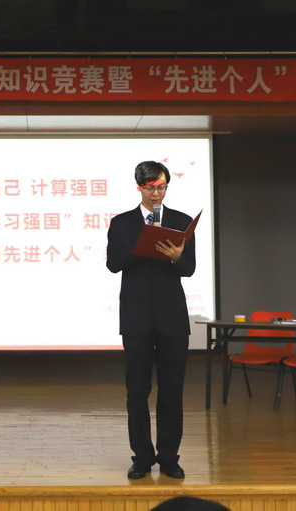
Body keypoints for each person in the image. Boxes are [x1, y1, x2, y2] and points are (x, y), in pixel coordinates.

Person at [106, 161, 196, 480]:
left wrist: (177, 258)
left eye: (161, 187)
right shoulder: (122, 223)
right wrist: (142, 245)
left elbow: (189, 269)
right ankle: (142, 457)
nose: (156, 193)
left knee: (172, 390)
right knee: (137, 391)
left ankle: (169, 457)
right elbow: (113, 264)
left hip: (172, 317)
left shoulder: (181, 222)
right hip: (136, 317)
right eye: (150, 187)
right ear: (139, 187)